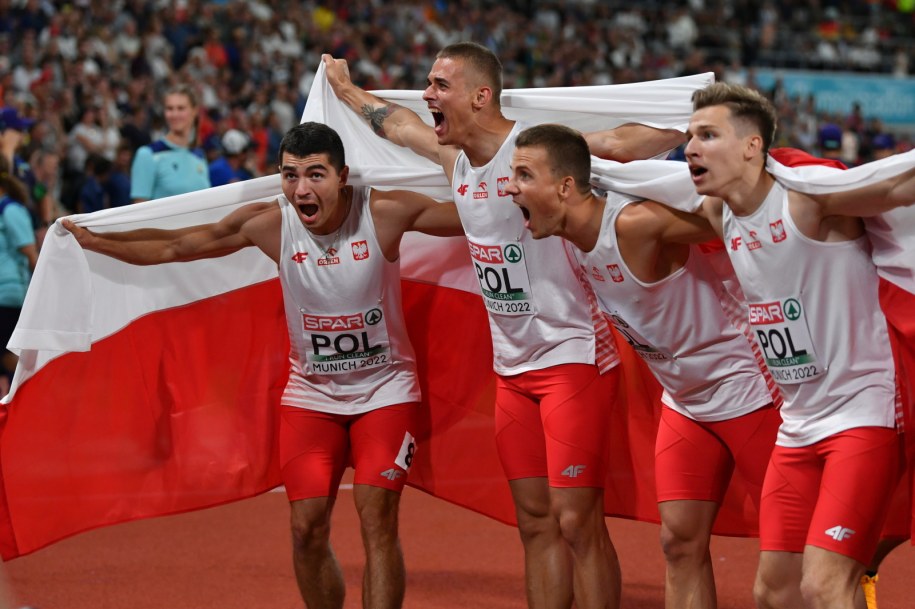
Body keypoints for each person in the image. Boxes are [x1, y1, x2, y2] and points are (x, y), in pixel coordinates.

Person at [324, 42, 687, 609]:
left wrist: (695, 122)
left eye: (440, 86)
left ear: (480, 95)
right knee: (535, 522)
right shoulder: (456, 161)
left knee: (576, 521)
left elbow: (616, 144)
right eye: (428, 84)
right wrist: (346, 92)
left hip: (573, 359)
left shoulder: (532, 150)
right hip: (512, 370)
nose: (427, 95)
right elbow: (397, 126)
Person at [63, 121, 464, 609]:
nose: (301, 189)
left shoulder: (383, 211)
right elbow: (177, 246)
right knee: (305, 528)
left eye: (316, 175)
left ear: (344, 176)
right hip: (311, 398)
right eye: (290, 175)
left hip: (385, 392)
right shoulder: (271, 223)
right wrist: (96, 241)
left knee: (376, 516)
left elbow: (475, 217)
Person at [506, 123, 781, 609]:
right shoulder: (566, 235)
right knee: (679, 543)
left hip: (747, 389)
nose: (509, 189)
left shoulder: (633, 225)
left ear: (565, 187)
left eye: (523, 176)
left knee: (789, 553)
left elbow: (736, 214)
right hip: (686, 402)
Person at [683, 82, 915, 609]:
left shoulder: (809, 203)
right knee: (773, 591)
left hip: (864, 413)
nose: (691, 147)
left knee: (825, 585)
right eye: (689, 136)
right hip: (799, 425)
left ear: (751, 146)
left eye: (708, 134)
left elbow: (897, 186)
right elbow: (644, 182)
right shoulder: (720, 215)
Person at [129, 84, 210, 203]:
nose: (174, 114)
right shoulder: (147, 154)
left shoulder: (199, 155)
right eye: (169, 108)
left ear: (194, 111)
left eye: (181, 108)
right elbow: (138, 212)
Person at [0, 155, 38, 396]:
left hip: (8, 295)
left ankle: (34, 395)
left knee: (7, 357)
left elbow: (32, 255)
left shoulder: (11, 210)